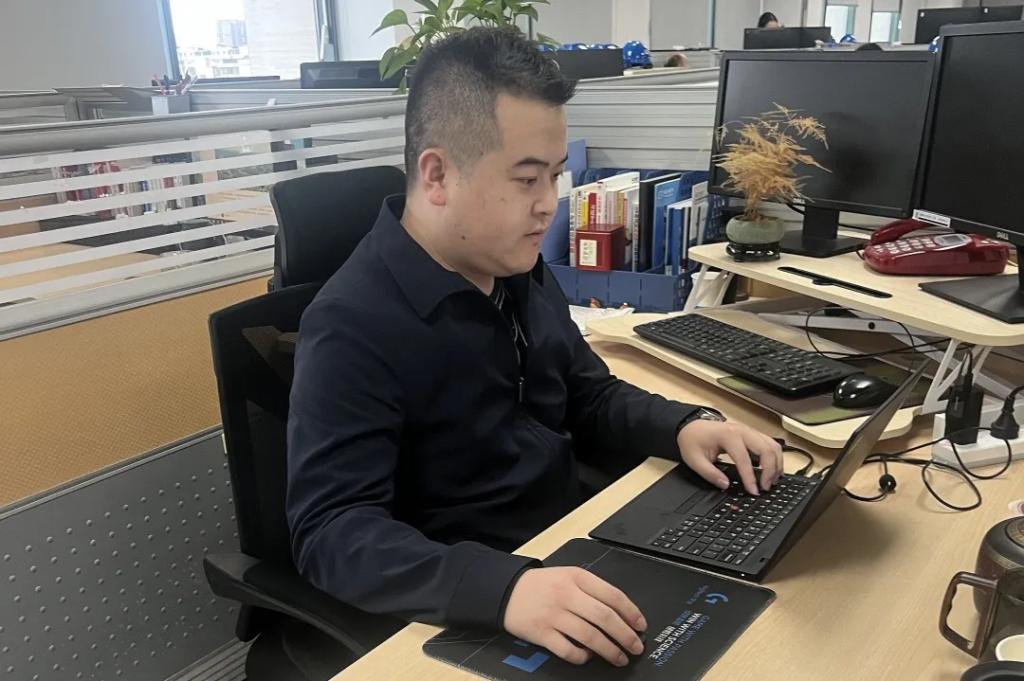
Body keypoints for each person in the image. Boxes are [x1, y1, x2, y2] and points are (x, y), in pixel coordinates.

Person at [286, 26, 783, 669]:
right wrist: (505, 590)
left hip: (571, 550)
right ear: (437, 175)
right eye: (526, 180)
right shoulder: (352, 324)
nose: (549, 205)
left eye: (555, 175)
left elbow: (586, 394)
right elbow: (331, 534)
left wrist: (684, 426)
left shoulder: (512, 266)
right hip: (475, 605)